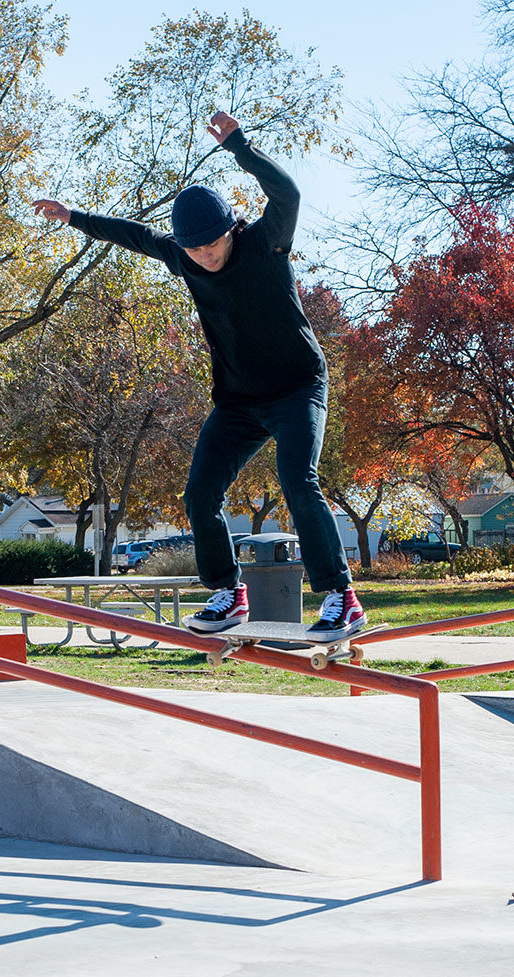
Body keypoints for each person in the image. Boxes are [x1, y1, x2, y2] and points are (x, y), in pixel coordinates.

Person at [33, 111, 364, 640]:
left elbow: (288, 194)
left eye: (213, 246)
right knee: (199, 493)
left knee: (298, 479)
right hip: (237, 402)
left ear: (232, 230)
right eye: (194, 250)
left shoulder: (266, 242)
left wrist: (241, 147)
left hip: (298, 387)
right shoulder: (182, 256)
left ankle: (339, 597)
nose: (205, 257)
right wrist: (74, 217)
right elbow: (132, 235)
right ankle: (228, 593)